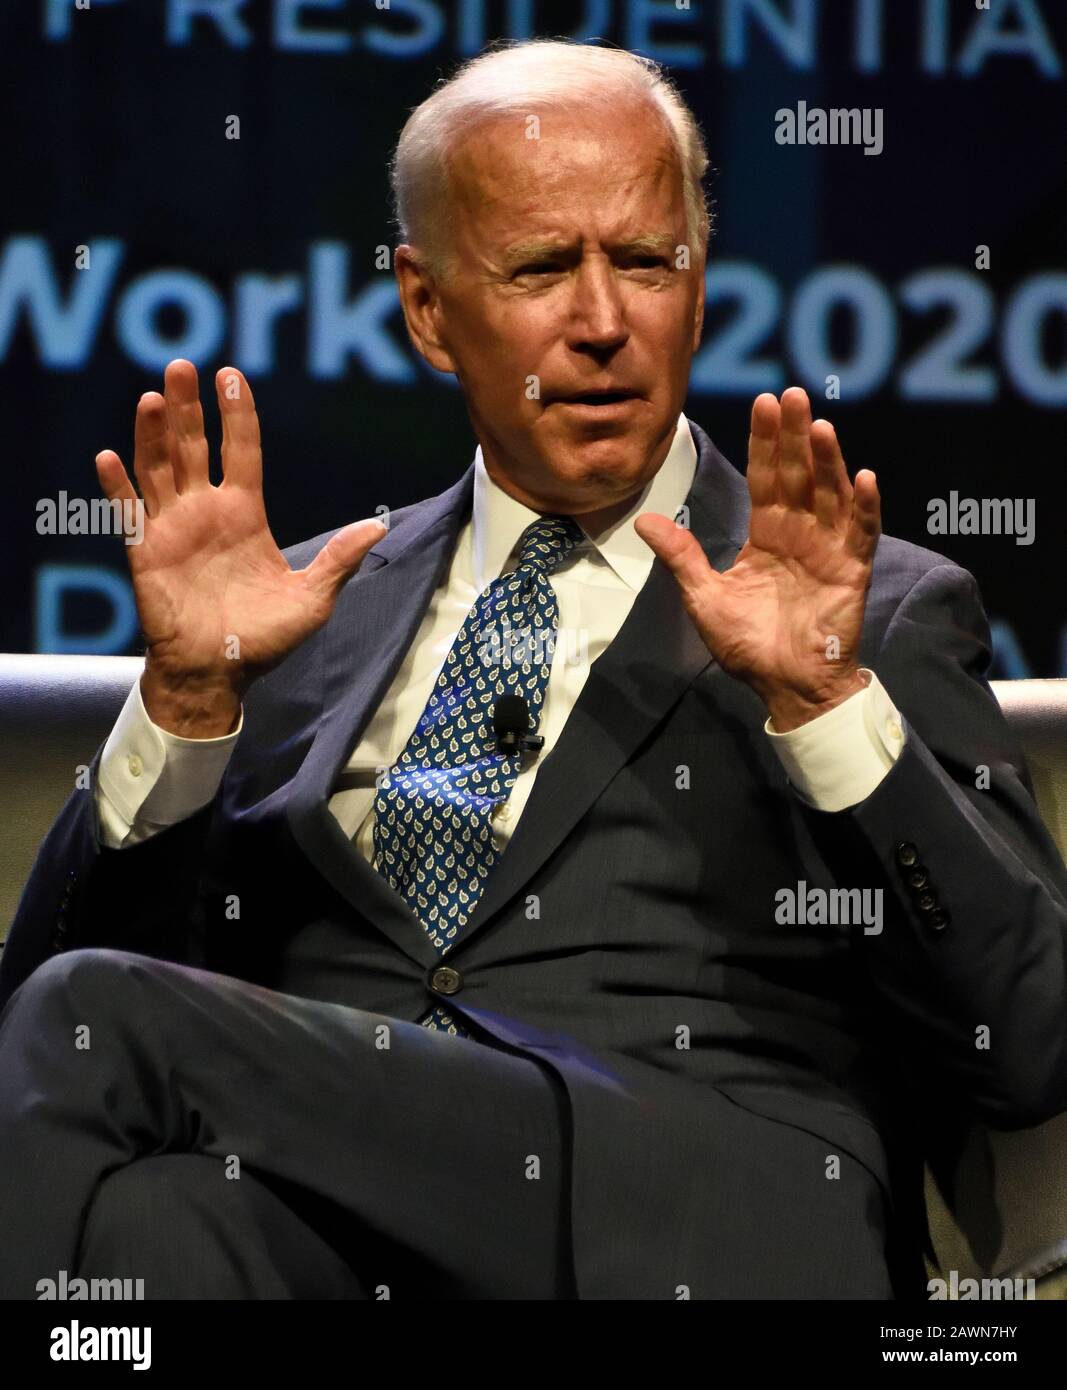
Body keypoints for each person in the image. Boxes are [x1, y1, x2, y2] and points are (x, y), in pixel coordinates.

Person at [2, 38, 1066, 1302]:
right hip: (334, 1223)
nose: (604, 323)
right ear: (425, 306)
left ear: (701, 283)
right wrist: (184, 701)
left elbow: (1031, 1041)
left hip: (693, 1215)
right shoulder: (300, 615)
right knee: (154, 1222)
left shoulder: (872, 611)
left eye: (643, 262)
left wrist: (824, 702)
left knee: (103, 1018)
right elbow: (42, 1034)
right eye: (545, 268)